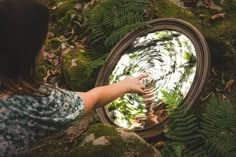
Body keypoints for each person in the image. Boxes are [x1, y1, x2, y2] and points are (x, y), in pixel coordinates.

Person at [0, 0, 148, 156]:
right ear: (29, 49)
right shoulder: (28, 101)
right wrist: (125, 85)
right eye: (44, 40)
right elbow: (92, 98)